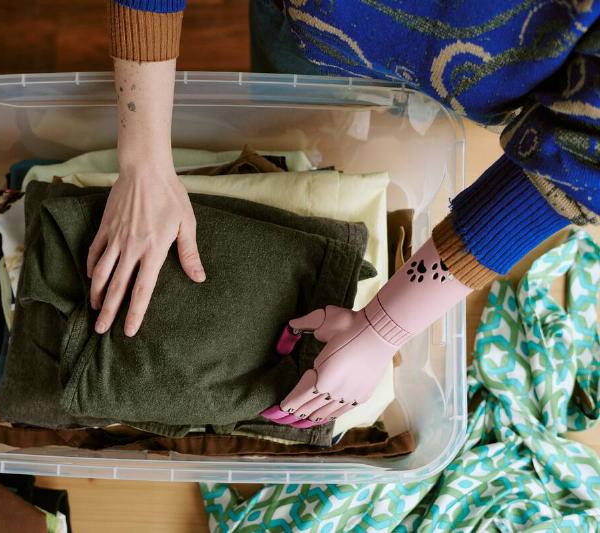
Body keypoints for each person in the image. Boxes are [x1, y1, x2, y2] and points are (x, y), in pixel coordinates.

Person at [92, 0, 599, 428]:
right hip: (314, 25)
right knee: (289, 114)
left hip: (498, 84)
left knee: (346, 129)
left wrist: (385, 328)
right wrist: (144, 162)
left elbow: (584, 159)